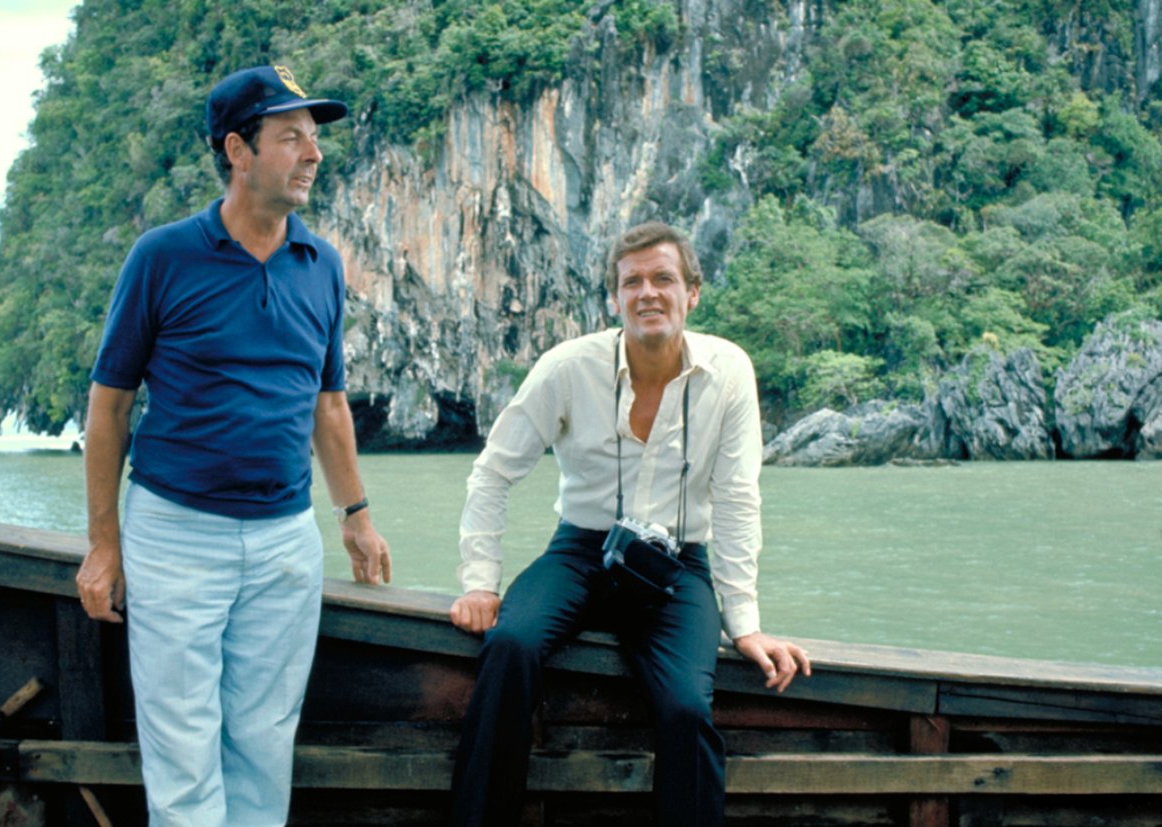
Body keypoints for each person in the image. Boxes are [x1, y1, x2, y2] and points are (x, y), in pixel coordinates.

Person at [75, 65, 392, 827]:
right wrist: (103, 543)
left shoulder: (321, 266)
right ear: (238, 150)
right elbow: (109, 408)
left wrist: (355, 513)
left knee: (262, 743)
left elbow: (329, 404)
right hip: (177, 534)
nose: (313, 154)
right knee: (183, 752)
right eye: (291, 137)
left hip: (285, 537)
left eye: (314, 139)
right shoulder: (163, 256)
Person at [448, 221, 812, 826]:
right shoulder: (567, 367)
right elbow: (493, 473)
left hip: (678, 565)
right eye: (631, 282)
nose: (647, 293)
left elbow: (738, 498)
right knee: (510, 646)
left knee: (686, 709)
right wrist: (481, 582)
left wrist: (743, 622)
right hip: (580, 552)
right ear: (614, 299)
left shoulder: (728, 373)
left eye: (663, 278)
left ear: (692, 293)